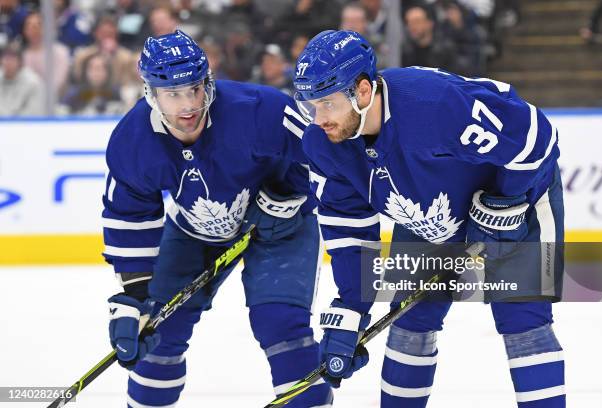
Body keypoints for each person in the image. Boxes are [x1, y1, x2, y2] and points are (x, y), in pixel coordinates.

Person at [293, 30, 565, 407]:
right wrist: (351, 306)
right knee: (409, 324)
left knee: (525, 325)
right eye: (310, 105)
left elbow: (538, 139)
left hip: (520, 201)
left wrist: (505, 200)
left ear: (363, 91)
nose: (318, 119)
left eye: (327, 103)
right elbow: (348, 226)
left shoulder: (433, 105)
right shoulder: (324, 143)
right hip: (429, 213)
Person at [103, 30, 332, 407]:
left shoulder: (260, 109)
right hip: (193, 231)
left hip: (282, 227)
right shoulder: (133, 141)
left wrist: (290, 191)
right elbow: (129, 215)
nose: (188, 104)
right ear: (150, 93)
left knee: (281, 325)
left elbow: (324, 157)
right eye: (173, 94)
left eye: (194, 89)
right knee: (158, 329)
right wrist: (134, 296)